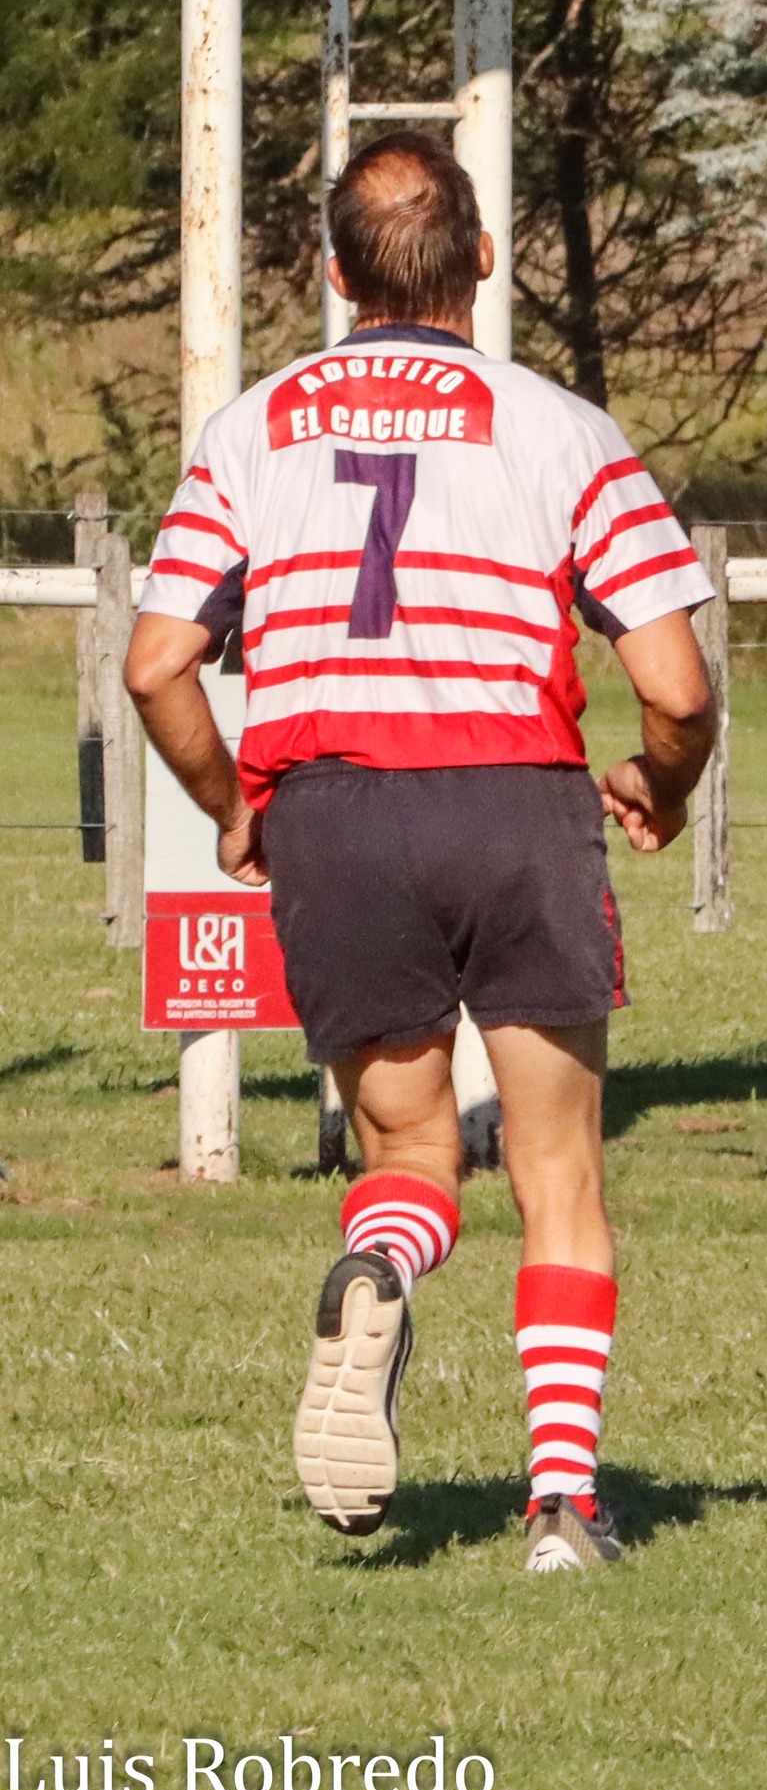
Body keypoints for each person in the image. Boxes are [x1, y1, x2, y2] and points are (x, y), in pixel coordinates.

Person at [125, 129, 717, 1572]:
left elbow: (156, 667)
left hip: (334, 802)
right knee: (559, 1167)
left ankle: (384, 1260)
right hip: (512, 797)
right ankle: (566, 1506)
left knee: (405, 1145)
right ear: (486, 261)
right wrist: (663, 780)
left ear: (333, 274)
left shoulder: (252, 428)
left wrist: (232, 804)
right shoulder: (558, 425)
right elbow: (680, 684)